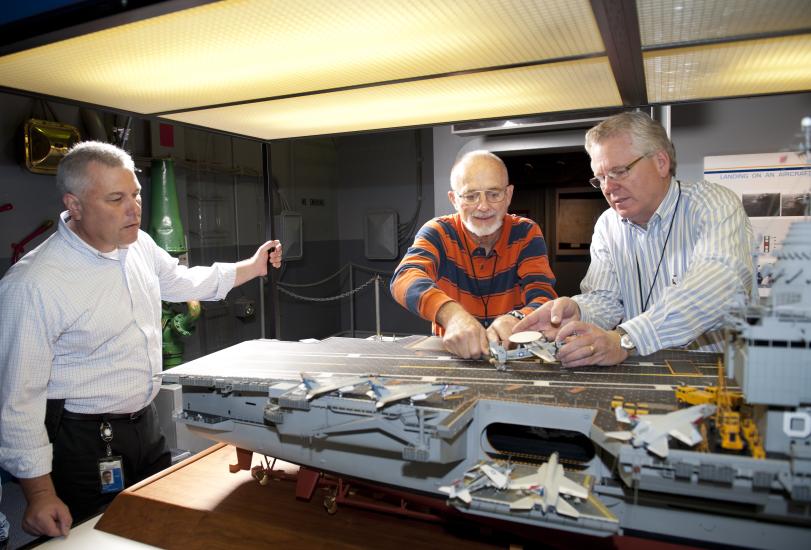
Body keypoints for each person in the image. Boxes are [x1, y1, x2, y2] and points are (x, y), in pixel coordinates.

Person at [0, 141, 283, 537]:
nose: (134, 208)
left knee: (155, 525)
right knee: (96, 536)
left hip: (144, 427)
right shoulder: (34, 284)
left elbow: (181, 281)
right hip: (82, 442)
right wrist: (40, 493)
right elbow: (18, 400)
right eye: (116, 198)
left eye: (135, 193)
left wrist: (250, 268)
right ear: (75, 205)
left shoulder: (138, 245)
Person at [514, 111, 753, 366]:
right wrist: (578, 311)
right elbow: (606, 300)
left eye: (619, 171)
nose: (608, 187)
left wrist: (627, 339)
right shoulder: (608, 224)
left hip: (713, 377)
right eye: (601, 178)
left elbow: (718, 290)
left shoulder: (712, 205)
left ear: (661, 162)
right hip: (642, 374)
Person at [391, 150, 557, 359]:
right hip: (453, 357)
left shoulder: (526, 232)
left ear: (508, 195)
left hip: (513, 356)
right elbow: (405, 277)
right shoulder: (438, 232)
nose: (484, 206)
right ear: (454, 199)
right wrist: (452, 315)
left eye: (494, 194)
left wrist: (515, 319)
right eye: (471, 196)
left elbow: (543, 296)